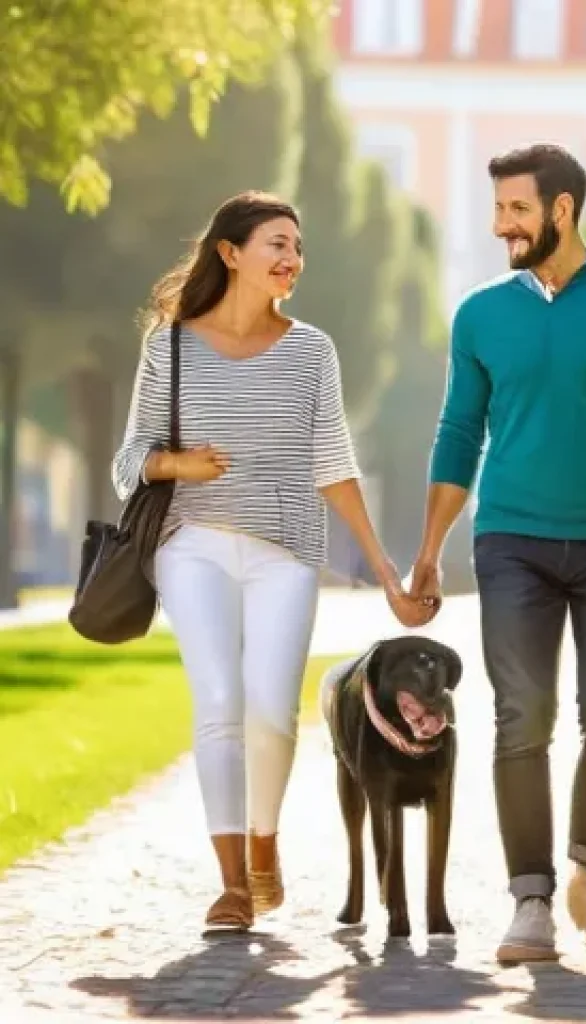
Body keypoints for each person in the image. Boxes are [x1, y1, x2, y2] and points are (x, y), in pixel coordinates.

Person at [408, 144, 586, 966]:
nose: (501, 224)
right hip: (510, 541)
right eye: (498, 209)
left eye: (516, 210)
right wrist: (430, 549)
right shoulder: (479, 314)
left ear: (562, 210)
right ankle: (530, 900)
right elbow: (458, 432)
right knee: (521, 717)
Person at [112, 191, 433, 933]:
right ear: (230, 252)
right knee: (220, 701)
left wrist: (387, 572)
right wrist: (178, 466)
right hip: (190, 545)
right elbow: (128, 462)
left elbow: (333, 464)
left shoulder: (311, 350)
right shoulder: (170, 345)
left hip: (286, 552)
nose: (292, 259)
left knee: (272, 714)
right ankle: (231, 884)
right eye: (276, 244)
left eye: (298, 247)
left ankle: (265, 845)